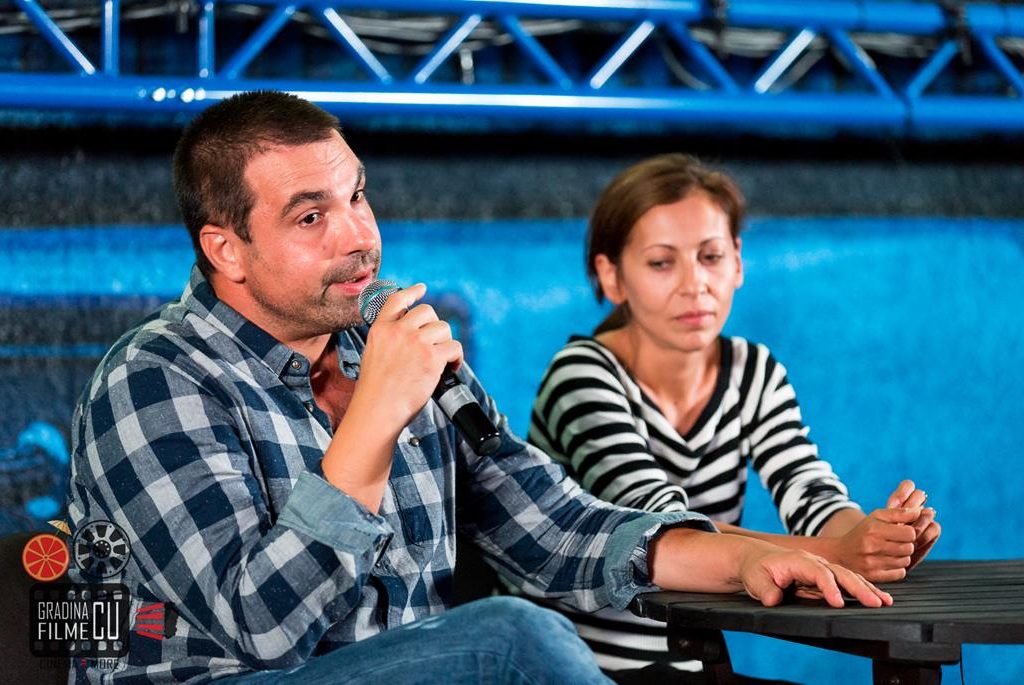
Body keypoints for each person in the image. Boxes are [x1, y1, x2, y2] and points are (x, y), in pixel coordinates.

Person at [66, 94, 894, 685]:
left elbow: (553, 526)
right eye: (311, 217)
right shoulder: (153, 380)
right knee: (509, 638)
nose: (359, 236)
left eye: (358, 196)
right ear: (227, 248)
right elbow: (265, 627)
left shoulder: (391, 344)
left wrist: (746, 556)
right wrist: (376, 414)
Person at [527, 154, 942, 677]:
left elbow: (811, 495)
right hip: (573, 667)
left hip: (691, 663)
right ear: (612, 277)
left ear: (738, 262)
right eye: (661, 263)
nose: (694, 284)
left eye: (711, 256)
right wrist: (840, 552)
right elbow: (658, 526)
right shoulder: (580, 376)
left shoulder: (754, 371)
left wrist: (875, 540)